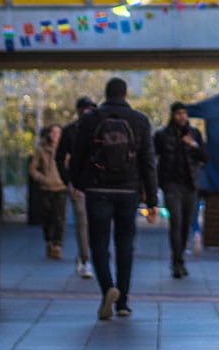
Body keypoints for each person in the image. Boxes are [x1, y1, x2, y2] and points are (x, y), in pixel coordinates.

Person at [69, 76, 157, 320]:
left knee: (98, 243)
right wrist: (152, 201)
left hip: (97, 189)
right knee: (125, 244)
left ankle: (108, 289)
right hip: (129, 191)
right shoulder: (139, 121)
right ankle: (124, 303)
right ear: (126, 95)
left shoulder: (90, 119)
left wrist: (77, 183)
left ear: (105, 95)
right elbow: (149, 162)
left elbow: (78, 155)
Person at [154, 101, 208, 278]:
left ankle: (180, 259)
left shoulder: (194, 134)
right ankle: (176, 261)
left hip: (190, 185)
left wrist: (193, 144)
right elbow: (153, 158)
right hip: (171, 185)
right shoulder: (163, 135)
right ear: (172, 115)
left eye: (184, 113)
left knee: (186, 224)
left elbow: (205, 157)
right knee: (175, 223)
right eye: (179, 114)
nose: (182, 117)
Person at [55, 96, 97, 278]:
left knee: (96, 222)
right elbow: (59, 157)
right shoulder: (70, 131)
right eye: (84, 109)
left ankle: (89, 256)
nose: (87, 112)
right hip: (78, 182)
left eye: (90, 108)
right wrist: (68, 181)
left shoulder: (100, 128)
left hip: (98, 182)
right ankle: (85, 259)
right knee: (83, 221)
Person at [28, 124, 68, 259]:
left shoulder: (65, 150)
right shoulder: (41, 151)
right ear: (48, 134)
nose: (56, 135)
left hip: (61, 187)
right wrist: (42, 179)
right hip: (45, 188)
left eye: (59, 132)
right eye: (54, 132)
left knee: (60, 218)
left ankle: (58, 245)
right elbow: (33, 169)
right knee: (47, 218)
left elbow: (70, 166)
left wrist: (68, 180)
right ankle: (49, 241)